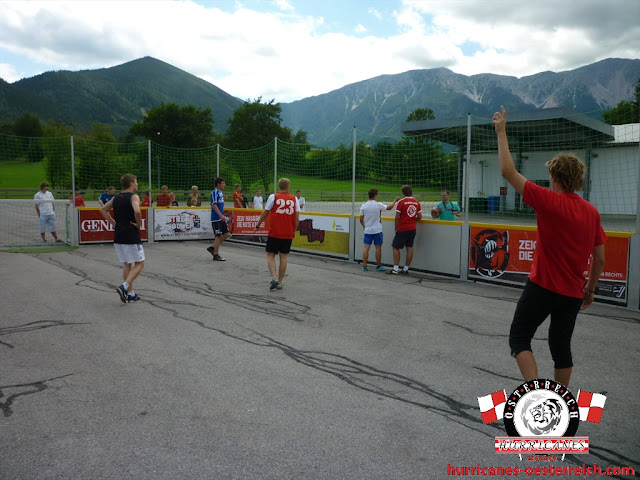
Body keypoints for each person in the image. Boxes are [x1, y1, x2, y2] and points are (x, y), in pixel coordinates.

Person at [493, 106, 606, 387]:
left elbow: (508, 171)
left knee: (520, 338)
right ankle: (560, 401)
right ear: (578, 180)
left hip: (542, 286)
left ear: (554, 178)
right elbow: (600, 259)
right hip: (572, 292)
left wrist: (501, 131)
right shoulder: (591, 212)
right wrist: (589, 290)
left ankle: (534, 392)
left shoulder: (548, 200)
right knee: (560, 347)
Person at [99, 174, 145, 303]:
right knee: (140, 263)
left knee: (127, 264)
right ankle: (124, 287)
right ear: (131, 183)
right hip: (130, 234)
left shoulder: (116, 197)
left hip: (119, 235)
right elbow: (137, 211)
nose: (137, 184)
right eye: (136, 182)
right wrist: (139, 224)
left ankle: (130, 293)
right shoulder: (134, 197)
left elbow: (103, 209)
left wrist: (113, 223)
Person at [254, 178, 300, 290]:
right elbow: (297, 217)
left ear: (279, 186)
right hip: (288, 232)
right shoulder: (294, 199)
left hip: (275, 232)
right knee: (283, 257)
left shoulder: (273, 197)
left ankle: (274, 278)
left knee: (270, 255)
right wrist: (294, 230)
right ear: (288, 186)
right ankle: (279, 282)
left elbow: (265, 213)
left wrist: (258, 224)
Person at [359, 188, 399, 272]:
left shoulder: (363, 206)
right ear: (375, 195)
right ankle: (378, 266)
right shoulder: (378, 205)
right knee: (378, 248)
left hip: (368, 230)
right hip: (377, 230)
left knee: (366, 247)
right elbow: (389, 207)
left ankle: (364, 265)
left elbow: (361, 219)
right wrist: (394, 201)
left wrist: (364, 226)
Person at [390, 185, 422, 275]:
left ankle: (395, 268)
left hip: (403, 228)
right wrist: (412, 220)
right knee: (409, 247)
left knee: (395, 247)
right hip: (412, 228)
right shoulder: (416, 202)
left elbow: (397, 217)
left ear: (403, 193)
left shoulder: (401, 202)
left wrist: (396, 228)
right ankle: (406, 269)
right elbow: (420, 216)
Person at [207, 177, 230, 261]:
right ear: (218, 184)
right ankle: (216, 254)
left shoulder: (221, 193)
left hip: (221, 218)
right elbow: (214, 204)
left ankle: (213, 247)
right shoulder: (214, 192)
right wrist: (220, 215)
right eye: (223, 183)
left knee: (227, 234)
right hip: (216, 218)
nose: (224, 185)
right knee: (218, 236)